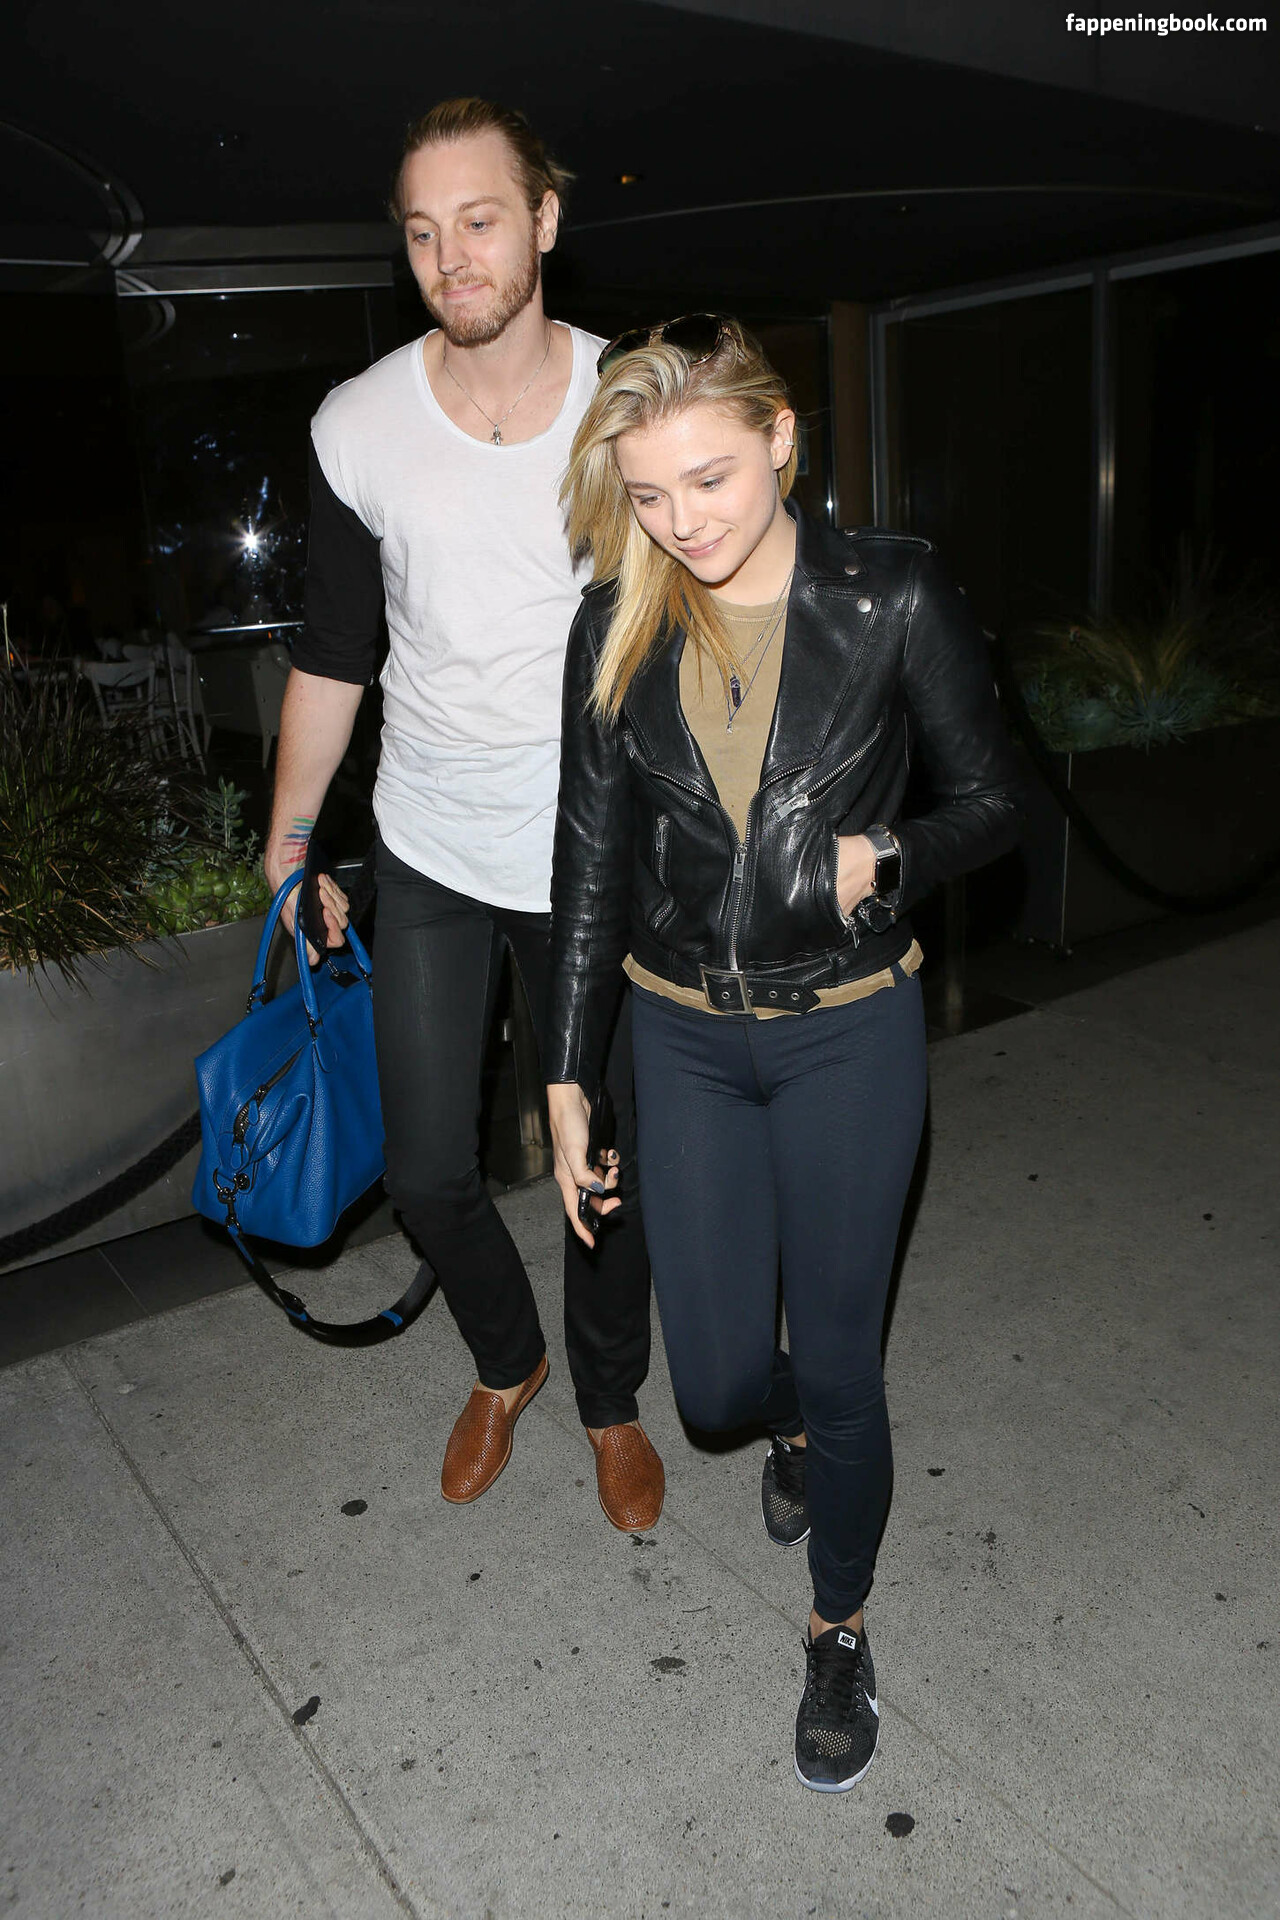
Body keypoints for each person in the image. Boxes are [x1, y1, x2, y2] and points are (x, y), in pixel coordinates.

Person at [544, 316, 1022, 1790]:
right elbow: (588, 867)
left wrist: (890, 851)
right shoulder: (616, 624)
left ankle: (838, 1627)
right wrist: (566, 1075)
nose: (682, 521)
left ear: (781, 440)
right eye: (649, 494)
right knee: (711, 1385)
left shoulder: (891, 595)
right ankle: (796, 1420)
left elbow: (998, 799)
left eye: (711, 479)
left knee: (847, 1361)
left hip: (847, 1032)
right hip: (679, 1035)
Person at [264, 98, 663, 1534]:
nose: (454, 258)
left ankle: (611, 1401)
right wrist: (291, 842)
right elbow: (333, 654)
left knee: (603, 1170)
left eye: (481, 221)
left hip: (594, 857)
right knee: (428, 1173)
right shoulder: (359, 425)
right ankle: (511, 1360)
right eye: (425, 233)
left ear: (544, 219)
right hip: (429, 845)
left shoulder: (630, 405)